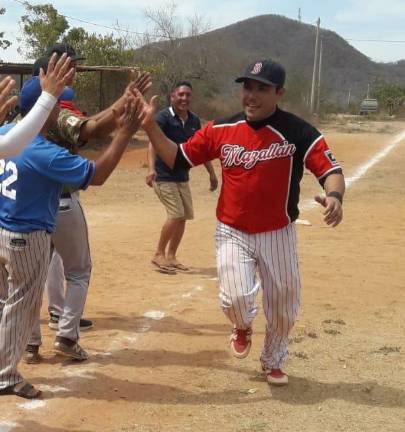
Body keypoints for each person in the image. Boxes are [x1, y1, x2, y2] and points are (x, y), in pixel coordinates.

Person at [139, 59, 345, 386]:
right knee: (234, 300)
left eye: (261, 88)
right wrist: (150, 126)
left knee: (283, 306)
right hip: (232, 230)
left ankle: (273, 360)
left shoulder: (297, 131)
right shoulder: (221, 129)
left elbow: (330, 171)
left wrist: (334, 197)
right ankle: (242, 325)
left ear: (279, 92)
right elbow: (177, 157)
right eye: (247, 87)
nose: (251, 95)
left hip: (278, 231)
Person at [0, 75, 143, 399]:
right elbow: (99, 174)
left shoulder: (5, 133)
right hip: (28, 235)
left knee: (8, 302)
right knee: (22, 304)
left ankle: (11, 359)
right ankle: (5, 375)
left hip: (3, 229)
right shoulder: (43, 151)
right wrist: (124, 134)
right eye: (54, 103)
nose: (59, 108)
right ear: (43, 108)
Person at [24, 44, 151, 364]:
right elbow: (92, 131)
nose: (74, 74)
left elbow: (92, 124)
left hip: (23, 211)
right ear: (46, 76)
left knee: (31, 276)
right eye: (68, 69)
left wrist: (125, 100)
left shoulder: (16, 116)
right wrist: (125, 122)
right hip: (59, 202)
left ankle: (29, 341)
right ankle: (66, 334)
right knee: (78, 270)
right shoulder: (52, 112)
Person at [146, 81, 218, 274]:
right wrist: (151, 168)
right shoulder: (163, 118)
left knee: (183, 217)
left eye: (188, 95)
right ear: (172, 97)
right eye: (180, 95)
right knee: (176, 214)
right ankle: (158, 254)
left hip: (182, 175)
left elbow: (200, 149)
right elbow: (153, 143)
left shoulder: (194, 121)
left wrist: (211, 173)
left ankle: (171, 256)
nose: (184, 98)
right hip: (163, 175)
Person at [0, 54, 74, 156]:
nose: (60, 106)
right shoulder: (45, 154)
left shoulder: (5, 130)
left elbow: (7, 146)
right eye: (57, 102)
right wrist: (48, 98)